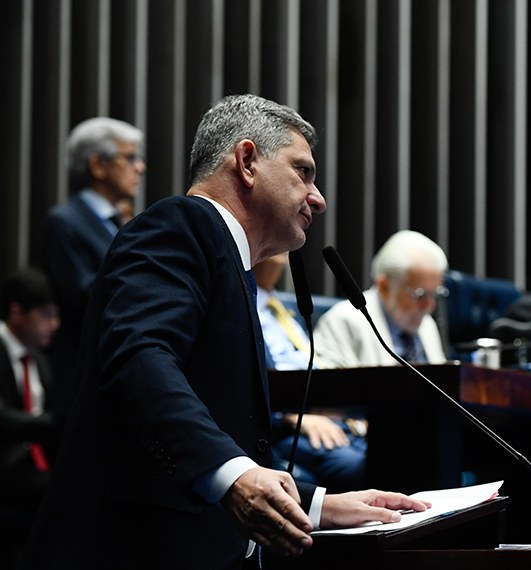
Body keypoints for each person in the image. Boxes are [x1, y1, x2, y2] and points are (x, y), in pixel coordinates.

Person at [21, 94, 429, 568]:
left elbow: (222, 423)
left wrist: (319, 505)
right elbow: (139, 359)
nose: (318, 200)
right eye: (303, 172)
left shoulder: (229, 260)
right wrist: (231, 476)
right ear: (248, 161)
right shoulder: (181, 225)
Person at [38, 117, 146, 424]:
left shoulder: (122, 223)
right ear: (98, 165)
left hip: (120, 375)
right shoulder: (64, 222)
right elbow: (85, 296)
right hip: (84, 381)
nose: (140, 167)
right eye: (130, 157)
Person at [253, 253, 367, 492]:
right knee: (363, 466)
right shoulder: (240, 306)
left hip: (331, 416)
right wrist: (290, 417)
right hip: (285, 427)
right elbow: (240, 384)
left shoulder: (283, 309)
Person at [315, 229, 449, 367]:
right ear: (385, 286)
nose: (429, 306)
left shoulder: (426, 324)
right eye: (420, 295)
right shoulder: (342, 321)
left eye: (435, 294)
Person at [0, 269, 61, 567]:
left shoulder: (39, 359)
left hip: (33, 469)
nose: (54, 324)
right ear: (17, 312)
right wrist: (54, 423)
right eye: (46, 314)